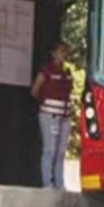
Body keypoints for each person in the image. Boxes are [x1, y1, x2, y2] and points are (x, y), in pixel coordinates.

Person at [30, 42, 73, 189]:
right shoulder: (45, 71)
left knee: (61, 152)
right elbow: (34, 90)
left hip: (65, 117)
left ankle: (59, 184)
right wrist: (46, 103)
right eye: (61, 51)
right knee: (49, 150)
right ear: (53, 53)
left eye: (65, 52)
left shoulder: (67, 72)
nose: (64, 54)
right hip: (49, 116)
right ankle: (47, 184)